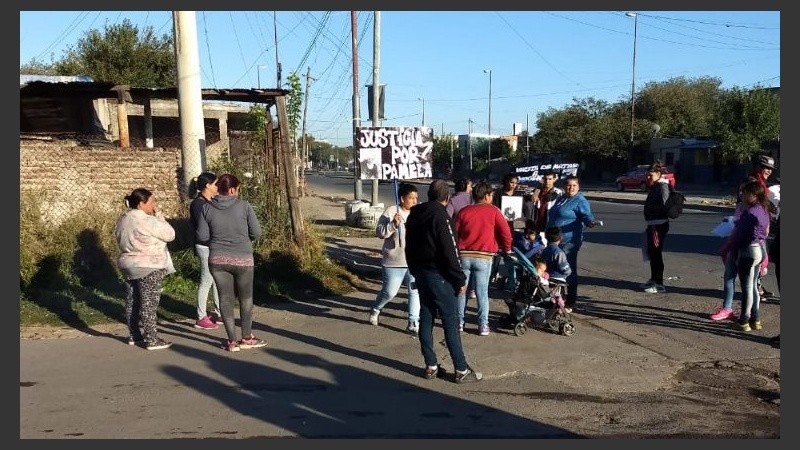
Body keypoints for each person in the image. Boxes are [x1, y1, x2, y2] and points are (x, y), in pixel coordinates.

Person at [405, 179, 482, 383]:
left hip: (420, 272)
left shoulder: (415, 214)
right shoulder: (441, 216)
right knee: (450, 321)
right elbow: (451, 250)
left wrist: (413, 268)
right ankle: (461, 368)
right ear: (447, 198)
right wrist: (460, 278)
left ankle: (430, 365)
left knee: (427, 316)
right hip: (439, 274)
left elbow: (408, 245)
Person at [195, 173, 266, 352]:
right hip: (243, 258)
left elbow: (202, 236)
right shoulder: (244, 206)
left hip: (217, 259)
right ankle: (247, 337)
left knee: (225, 299)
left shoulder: (207, 208)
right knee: (246, 298)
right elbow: (256, 233)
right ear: (233, 189)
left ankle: (232, 341)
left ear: (219, 188)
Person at [114, 188, 176, 350]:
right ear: (142, 203)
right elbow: (170, 234)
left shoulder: (123, 219)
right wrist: (159, 216)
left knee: (133, 300)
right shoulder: (148, 221)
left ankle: (135, 334)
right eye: (151, 202)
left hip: (128, 263)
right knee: (149, 302)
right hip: (149, 264)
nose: (153, 205)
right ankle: (152, 339)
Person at [453, 181, 513, 336]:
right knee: (482, 292)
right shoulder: (494, 211)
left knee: (461, 291)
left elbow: (454, 233)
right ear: (487, 196)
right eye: (491, 194)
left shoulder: (464, 211)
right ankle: (483, 325)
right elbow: (506, 233)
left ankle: (459, 322)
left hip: (464, 256)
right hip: (484, 257)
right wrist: (506, 249)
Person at [368, 182, 421, 333]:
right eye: (411, 198)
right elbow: (380, 233)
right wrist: (392, 224)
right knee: (390, 292)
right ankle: (376, 309)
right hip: (393, 262)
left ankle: (413, 322)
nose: (414, 201)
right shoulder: (391, 211)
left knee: (414, 292)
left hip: (413, 261)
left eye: (415, 198)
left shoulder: (417, 213)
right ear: (402, 198)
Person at [721, 180, 770, 332]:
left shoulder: (750, 213)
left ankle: (744, 320)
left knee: (747, 288)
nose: (742, 196)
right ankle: (755, 319)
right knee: (754, 286)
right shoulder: (763, 210)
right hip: (759, 249)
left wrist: (731, 248)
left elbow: (740, 236)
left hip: (748, 251)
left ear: (753, 195)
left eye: (745, 193)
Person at [546, 175, 598, 310]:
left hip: (569, 241)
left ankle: (571, 301)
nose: (571, 188)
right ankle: (556, 298)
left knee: (568, 270)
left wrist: (590, 222)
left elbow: (587, 215)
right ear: (564, 187)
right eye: (568, 185)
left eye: (574, 185)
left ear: (578, 187)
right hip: (554, 241)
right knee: (553, 270)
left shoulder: (580, 200)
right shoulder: (562, 198)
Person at [189, 171, 222, 330]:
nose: (218, 187)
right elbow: (205, 226)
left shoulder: (212, 201)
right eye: (216, 184)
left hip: (214, 244)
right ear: (208, 185)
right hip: (204, 245)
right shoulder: (198, 204)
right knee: (206, 280)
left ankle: (219, 311)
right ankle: (201, 316)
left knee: (217, 279)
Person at [641, 163, 671, 294]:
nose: (648, 177)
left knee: (656, 253)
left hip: (658, 225)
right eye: (647, 175)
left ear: (658, 174)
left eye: (650, 175)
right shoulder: (655, 187)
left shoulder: (663, 186)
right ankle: (653, 279)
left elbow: (665, 205)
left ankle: (659, 284)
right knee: (652, 253)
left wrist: (651, 209)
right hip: (653, 224)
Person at [446, 177, 477, 301]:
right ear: (466, 187)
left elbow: (447, 216)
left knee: (462, 267)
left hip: (460, 239)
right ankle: (473, 289)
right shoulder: (474, 200)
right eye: (470, 186)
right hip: (475, 238)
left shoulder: (452, 200)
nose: (471, 188)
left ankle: (460, 287)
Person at [490, 172, 523, 286]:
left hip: (514, 226)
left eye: (515, 183)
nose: (513, 185)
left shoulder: (519, 194)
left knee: (512, 252)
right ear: (506, 182)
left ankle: (512, 277)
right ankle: (493, 274)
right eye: (511, 182)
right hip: (500, 225)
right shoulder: (499, 193)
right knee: (498, 252)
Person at [507, 219, 547, 291]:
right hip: (522, 261)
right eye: (531, 235)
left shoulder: (538, 244)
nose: (528, 236)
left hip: (530, 263)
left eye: (533, 235)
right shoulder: (521, 239)